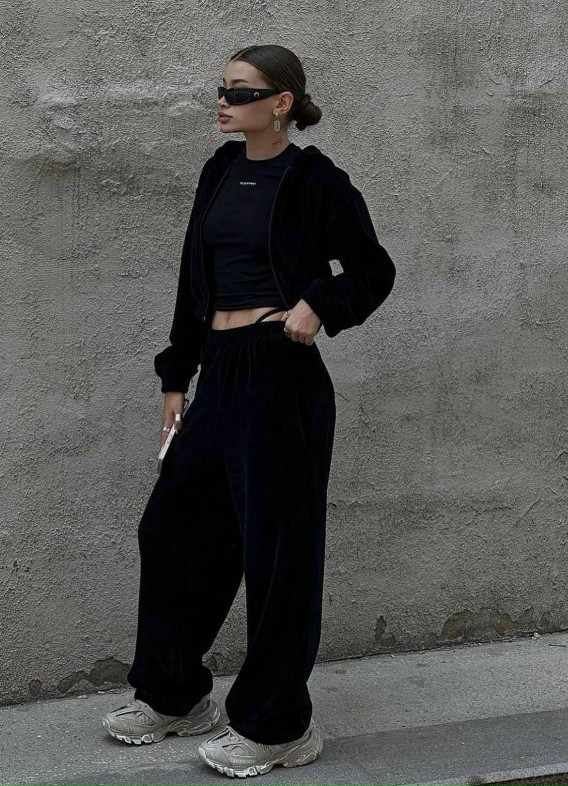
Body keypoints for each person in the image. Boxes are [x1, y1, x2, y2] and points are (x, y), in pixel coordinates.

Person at [101, 44, 396, 778]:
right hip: (220, 371)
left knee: (278, 553)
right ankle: (175, 694)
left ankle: (278, 725)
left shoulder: (316, 180)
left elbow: (373, 269)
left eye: (241, 90)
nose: (224, 101)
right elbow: (191, 281)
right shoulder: (220, 170)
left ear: (281, 103)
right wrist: (177, 376)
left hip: (280, 377)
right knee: (171, 530)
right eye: (222, 88)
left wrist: (319, 304)